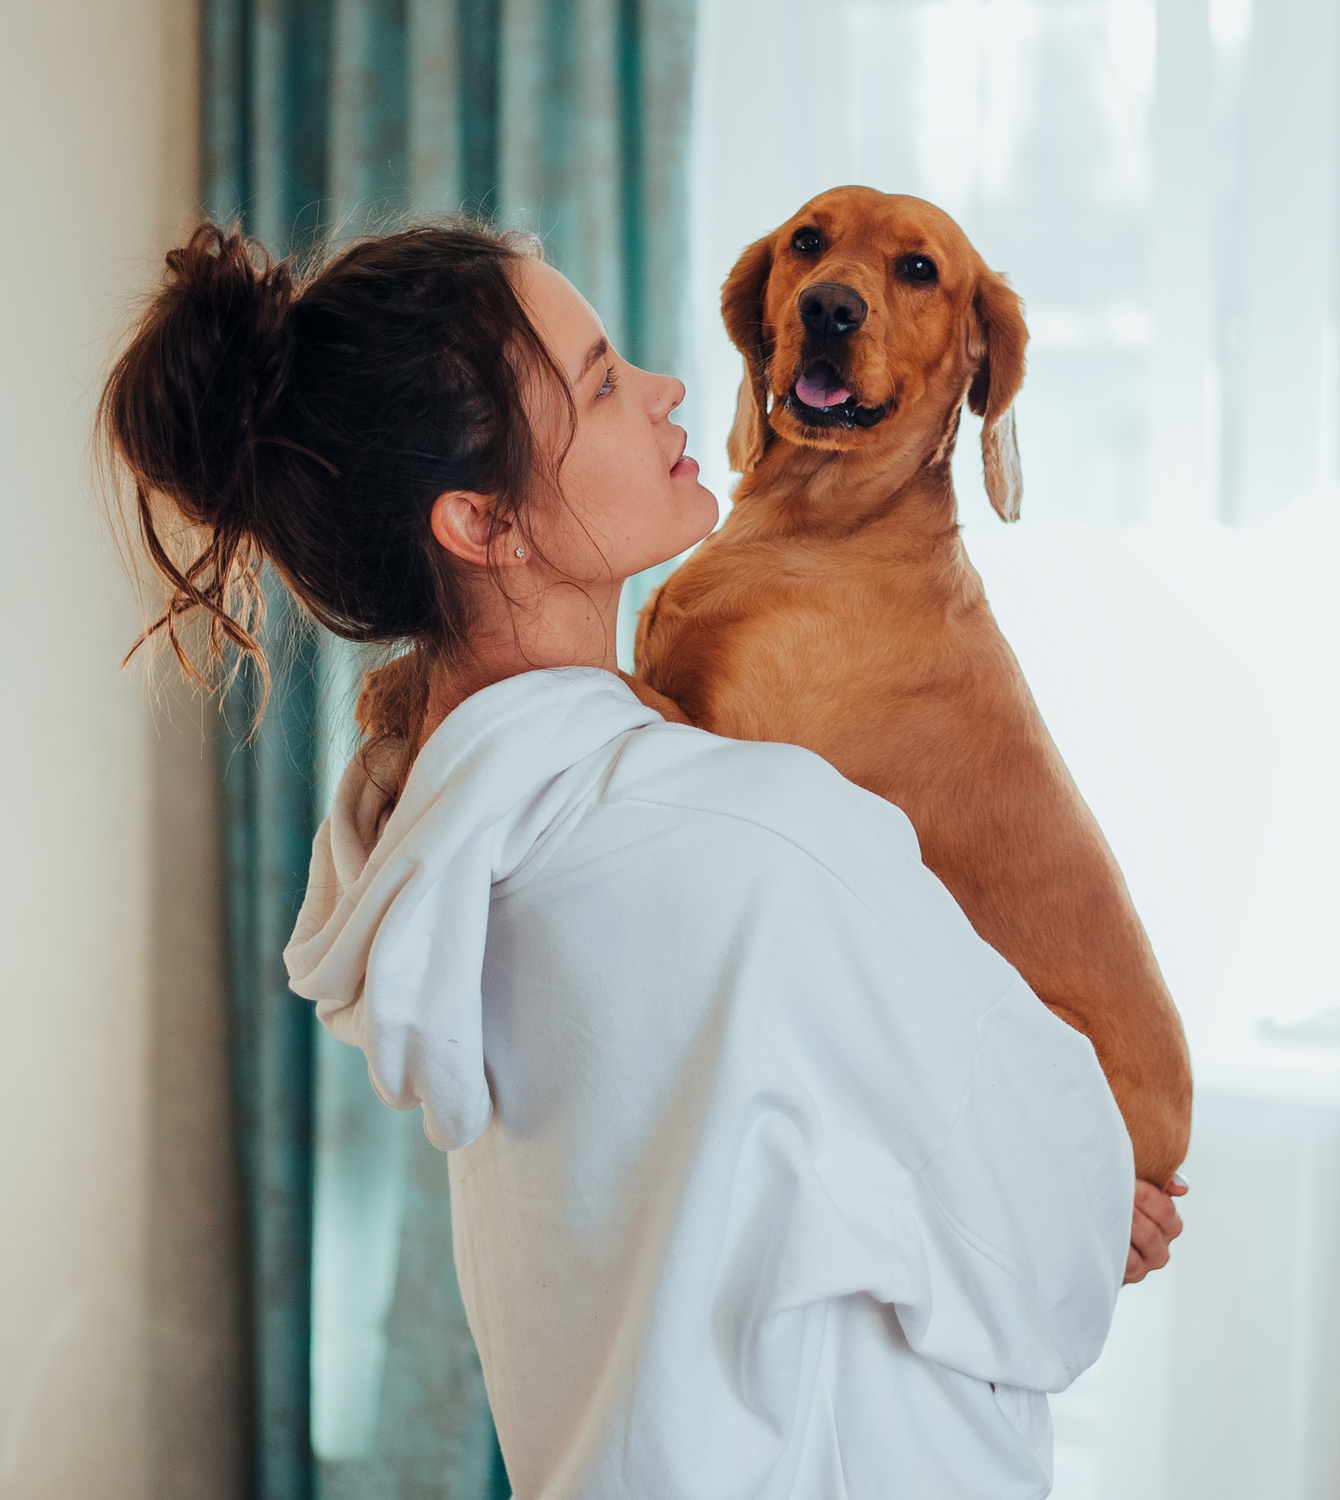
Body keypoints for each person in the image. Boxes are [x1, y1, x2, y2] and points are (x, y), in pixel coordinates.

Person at [101, 219, 1184, 1498]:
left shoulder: (439, 837)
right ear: (484, 521)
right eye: (604, 380)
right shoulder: (765, 846)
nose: (666, 387)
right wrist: (1082, 1172)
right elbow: (1059, 1238)